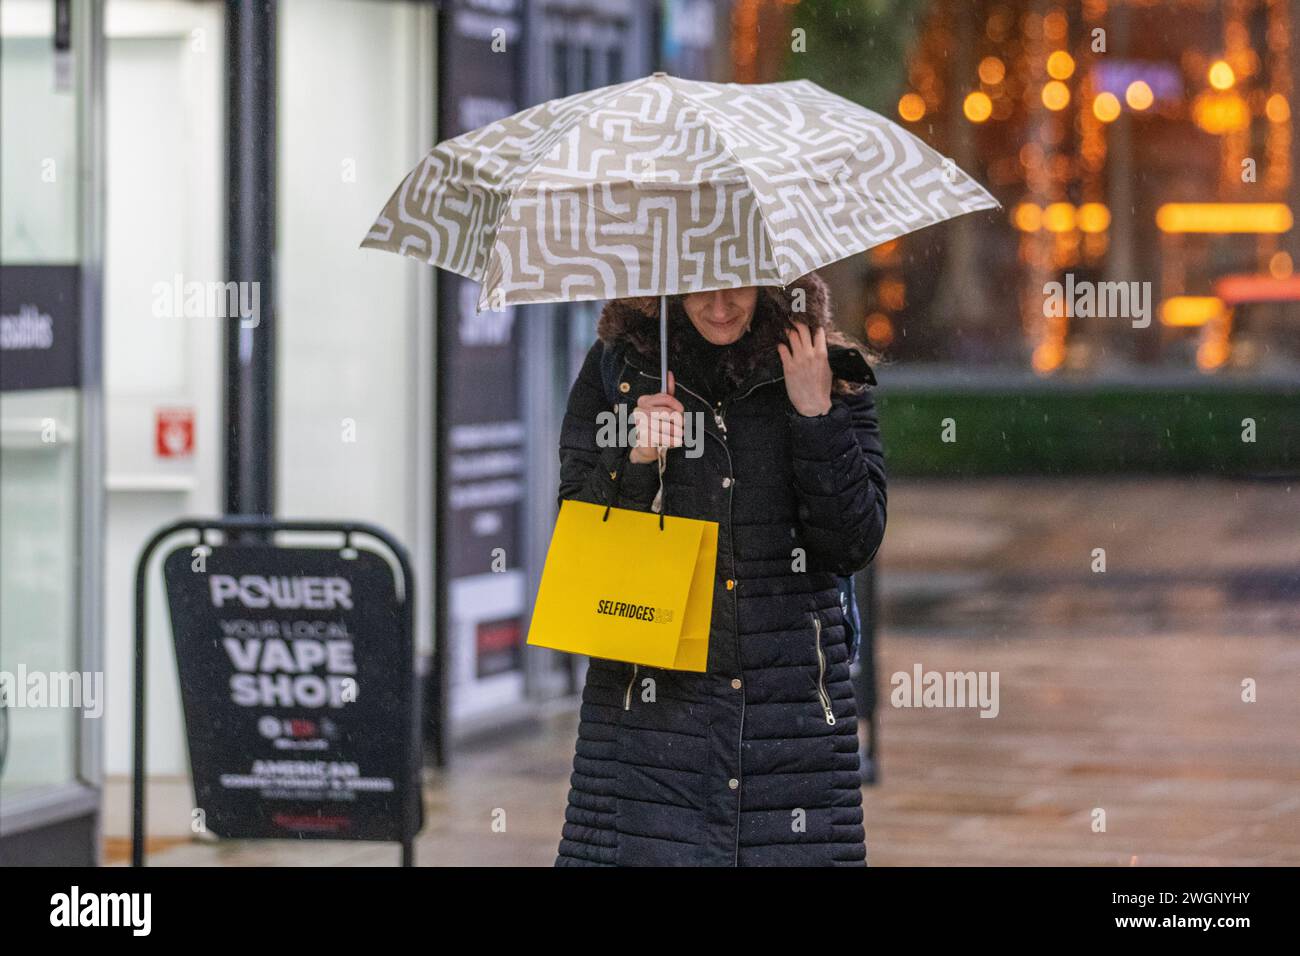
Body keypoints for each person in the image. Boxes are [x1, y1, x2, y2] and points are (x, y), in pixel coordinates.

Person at [553, 271, 886, 866]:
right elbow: (575, 530)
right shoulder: (621, 368)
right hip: (650, 719)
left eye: (737, 282)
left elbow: (853, 542)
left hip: (788, 715)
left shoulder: (822, 368)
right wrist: (635, 456)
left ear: (772, 280)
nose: (720, 304)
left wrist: (815, 414)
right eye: (697, 283)